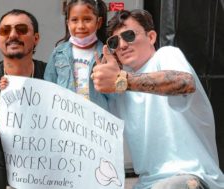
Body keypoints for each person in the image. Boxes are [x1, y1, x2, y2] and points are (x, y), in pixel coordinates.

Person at [92, 9, 224, 189]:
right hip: (147, 183)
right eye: (115, 42)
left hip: (190, 177)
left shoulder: (167, 55)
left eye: (129, 35)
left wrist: (122, 80)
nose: (122, 45)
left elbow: (183, 82)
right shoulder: (120, 91)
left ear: (151, 37)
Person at [0, 9, 46, 189]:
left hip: (46, 155)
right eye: (5, 31)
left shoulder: (50, 74)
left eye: (21, 29)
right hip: (5, 155)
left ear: (36, 38)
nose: (13, 35)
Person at [43, 0, 111, 109]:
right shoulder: (58, 53)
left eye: (87, 19)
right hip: (65, 119)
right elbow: (48, 87)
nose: (80, 26)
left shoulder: (107, 55)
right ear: (68, 23)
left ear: (98, 22)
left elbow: (114, 96)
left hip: (96, 120)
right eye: (74, 20)